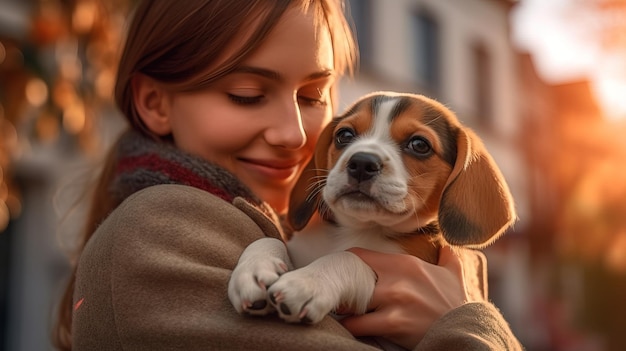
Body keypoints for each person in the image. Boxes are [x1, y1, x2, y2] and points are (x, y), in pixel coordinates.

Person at [53, 0, 523, 350]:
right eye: (246, 93)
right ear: (155, 102)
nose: (294, 134)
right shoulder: (157, 232)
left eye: (313, 96)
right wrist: (467, 322)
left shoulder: (272, 227)